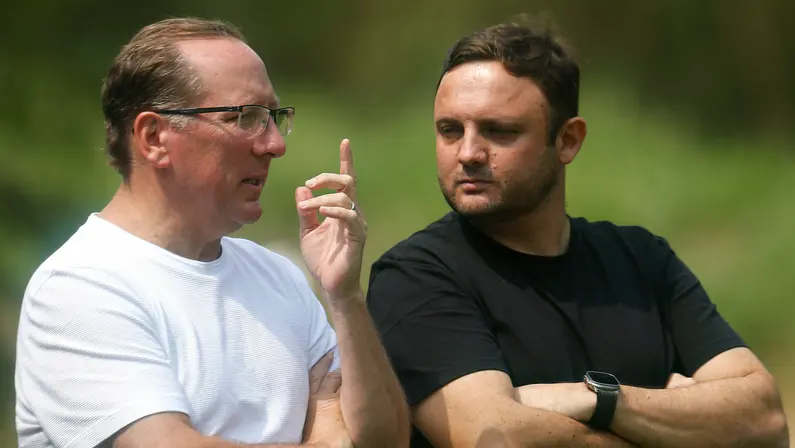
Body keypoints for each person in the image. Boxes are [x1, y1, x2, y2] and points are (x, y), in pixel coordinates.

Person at [365, 19, 789, 448]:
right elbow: (495, 438)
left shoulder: (642, 260)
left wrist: (601, 400)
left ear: (568, 140)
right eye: (450, 130)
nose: (468, 153)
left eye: (499, 131)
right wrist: (677, 423)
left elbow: (765, 419)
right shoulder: (414, 278)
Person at [14, 17, 410, 448]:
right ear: (154, 137)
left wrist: (345, 296)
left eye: (274, 117)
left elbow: (386, 439)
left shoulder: (279, 276)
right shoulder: (79, 287)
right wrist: (325, 442)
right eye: (246, 118)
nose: (275, 145)